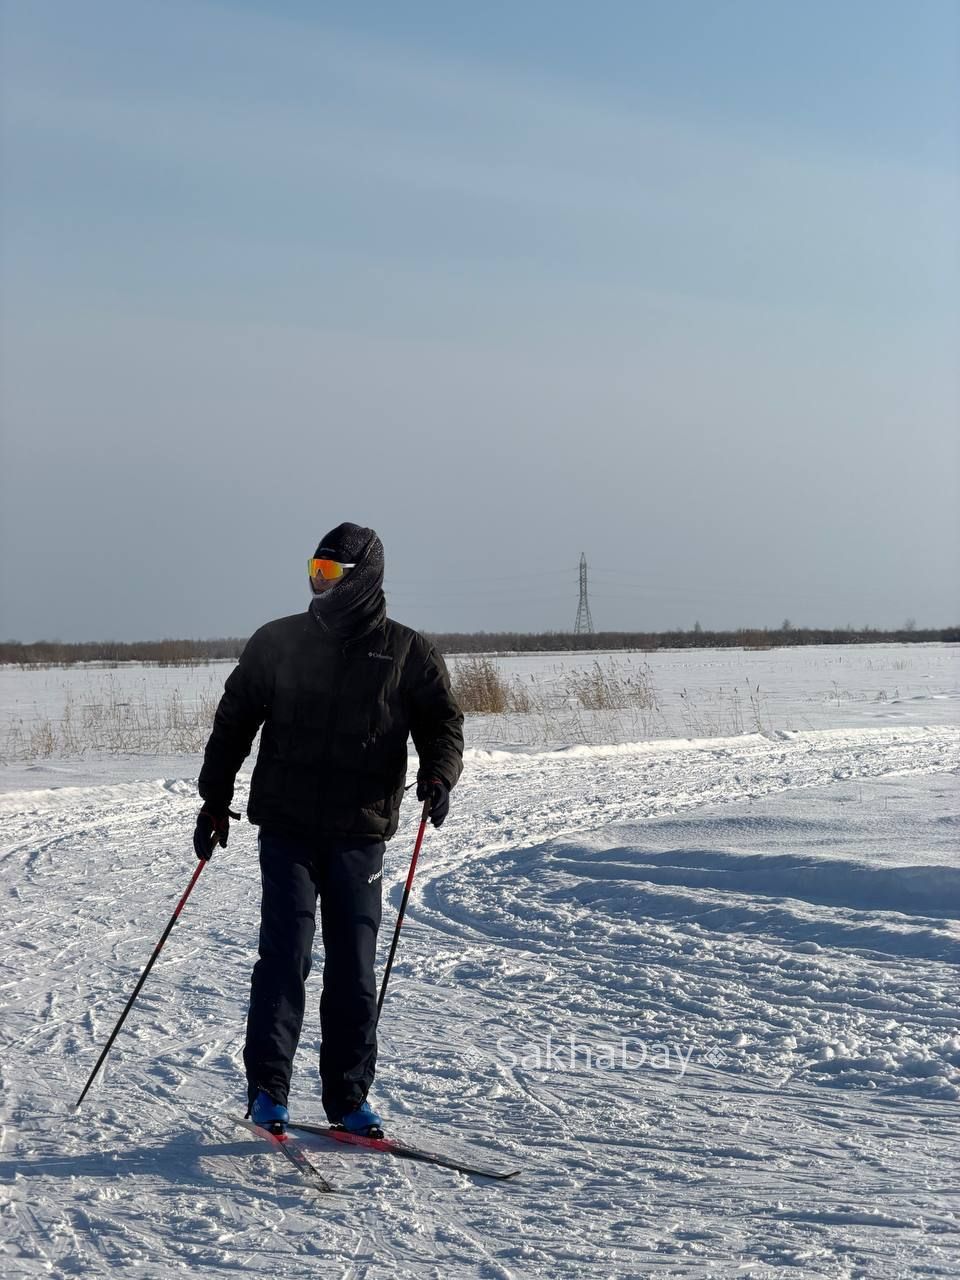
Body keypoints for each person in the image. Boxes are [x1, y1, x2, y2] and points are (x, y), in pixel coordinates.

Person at [193, 522, 464, 1136]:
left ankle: (348, 1099)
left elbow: (443, 725)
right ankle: (268, 1091)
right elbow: (234, 721)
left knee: (353, 968)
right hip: (286, 826)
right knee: (285, 954)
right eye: (314, 572)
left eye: (331, 574)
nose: (319, 584)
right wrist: (214, 799)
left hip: (360, 832)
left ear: (363, 578)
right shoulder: (278, 642)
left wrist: (439, 775)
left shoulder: (408, 652)